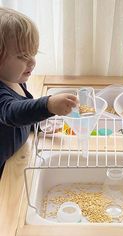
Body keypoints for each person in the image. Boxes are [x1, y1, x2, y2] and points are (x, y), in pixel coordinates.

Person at [0, 7, 78, 176]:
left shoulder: (16, 79)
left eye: (33, 53)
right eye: (22, 56)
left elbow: (23, 111)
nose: (32, 62)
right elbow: (12, 113)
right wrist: (47, 105)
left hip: (15, 156)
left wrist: (37, 125)